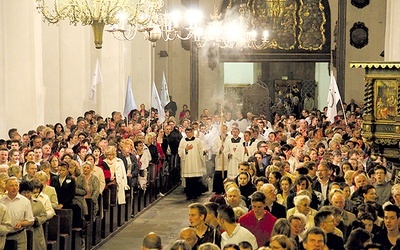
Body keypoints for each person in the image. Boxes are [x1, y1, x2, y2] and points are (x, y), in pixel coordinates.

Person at [1, 177, 34, 249]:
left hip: (19, 236)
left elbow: (30, 220)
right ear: (6, 187)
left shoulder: (25, 201)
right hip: (3, 237)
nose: (14, 188)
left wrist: (21, 223)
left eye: (16, 185)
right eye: (11, 186)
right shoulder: (1, 201)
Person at [178, 127, 206, 200]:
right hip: (187, 163)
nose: (188, 134)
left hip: (196, 162)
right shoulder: (183, 141)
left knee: (196, 179)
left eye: (189, 132)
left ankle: (196, 194)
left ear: (192, 132)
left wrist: (203, 152)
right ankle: (189, 195)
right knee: (189, 180)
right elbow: (180, 151)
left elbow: (201, 149)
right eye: (187, 132)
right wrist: (185, 150)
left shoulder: (197, 141)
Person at [19, 181, 47, 250]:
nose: (26, 195)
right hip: (21, 231)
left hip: (35, 231)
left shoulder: (37, 203)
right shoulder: (17, 203)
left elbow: (44, 215)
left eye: (28, 192)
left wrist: (36, 220)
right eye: (24, 193)